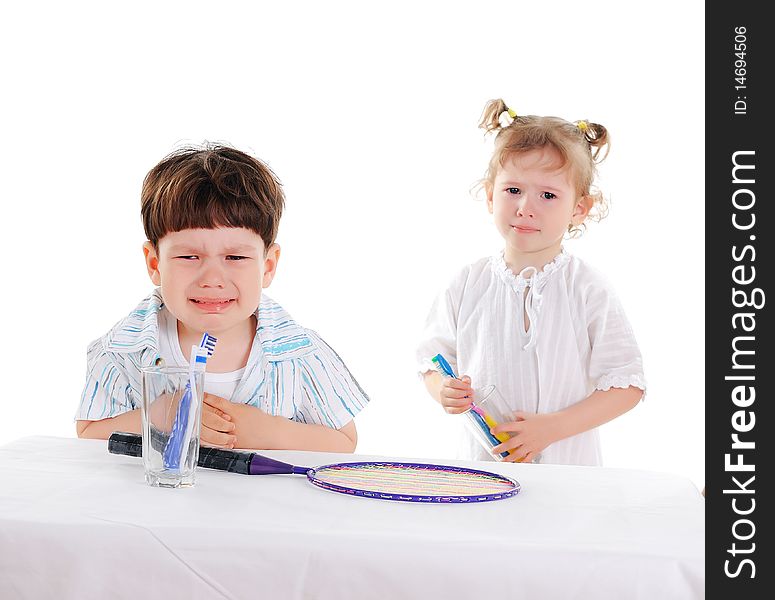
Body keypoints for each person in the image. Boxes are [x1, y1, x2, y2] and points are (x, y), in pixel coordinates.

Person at [76, 144, 369, 451]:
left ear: (267, 266)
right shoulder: (122, 352)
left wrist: (266, 432)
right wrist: (160, 417)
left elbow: (344, 442)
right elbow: (88, 433)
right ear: (154, 264)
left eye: (235, 257)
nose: (213, 280)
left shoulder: (302, 355)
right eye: (189, 256)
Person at [416, 99, 645, 466]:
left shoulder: (587, 288)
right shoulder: (467, 283)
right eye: (512, 191)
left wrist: (553, 428)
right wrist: (443, 389)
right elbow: (431, 359)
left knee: (558, 524)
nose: (526, 206)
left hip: (567, 475)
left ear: (579, 208)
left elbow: (626, 385)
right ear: (491, 195)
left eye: (548, 195)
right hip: (483, 468)